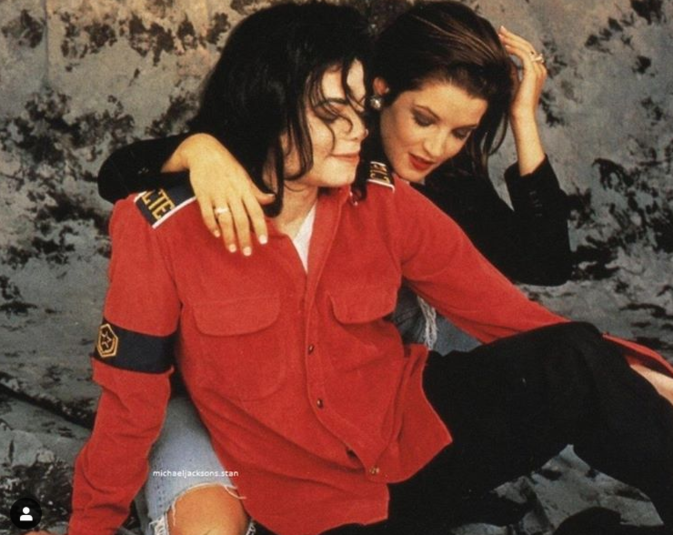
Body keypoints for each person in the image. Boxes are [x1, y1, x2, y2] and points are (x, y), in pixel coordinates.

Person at [33, 2, 673, 535]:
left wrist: (638, 371)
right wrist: (89, 527)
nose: (356, 132)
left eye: (359, 110)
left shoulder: (385, 198)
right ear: (269, 105)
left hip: (409, 440)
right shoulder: (161, 227)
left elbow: (512, 315)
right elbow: (129, 407)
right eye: (330, 114)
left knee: (571, 357)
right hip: (307, 496)